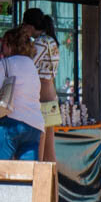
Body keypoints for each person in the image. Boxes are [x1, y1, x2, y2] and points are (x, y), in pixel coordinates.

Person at [0, 27, 44, 161]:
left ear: (10, 46)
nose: (2, 47)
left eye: (4, 44)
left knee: (0, 171)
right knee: (27, 173)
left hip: (9, 122)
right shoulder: (32, 65)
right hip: (34, 125)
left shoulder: (5, 64)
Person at [22, 8, 63, 162]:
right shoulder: (51, 41)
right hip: (51, 95)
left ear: (30, 26)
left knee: (39, 148)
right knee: (49, 151)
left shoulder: (41, 43)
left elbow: (27, 64)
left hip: (42, 98)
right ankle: (53, 185)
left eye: (25, 25)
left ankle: (39, 184)